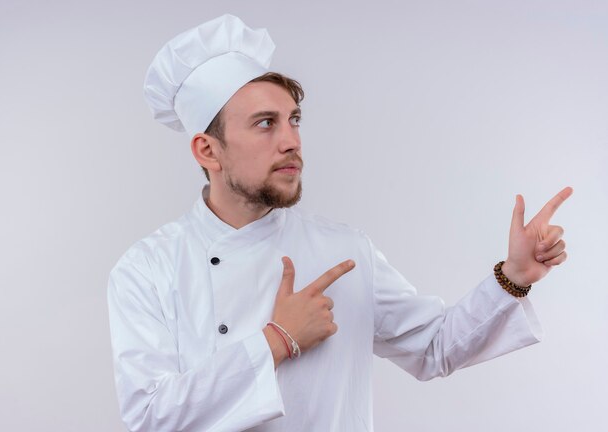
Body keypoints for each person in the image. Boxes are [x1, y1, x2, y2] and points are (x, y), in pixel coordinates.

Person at [107, 14, 572, 432]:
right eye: (266, 123)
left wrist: (513, 278)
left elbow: (434, 348)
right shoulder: (148, 269)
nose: (292, 141)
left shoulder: (345, 251)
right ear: (207, 150)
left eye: (294, 119)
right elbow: (150, 418)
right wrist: (277, 339)